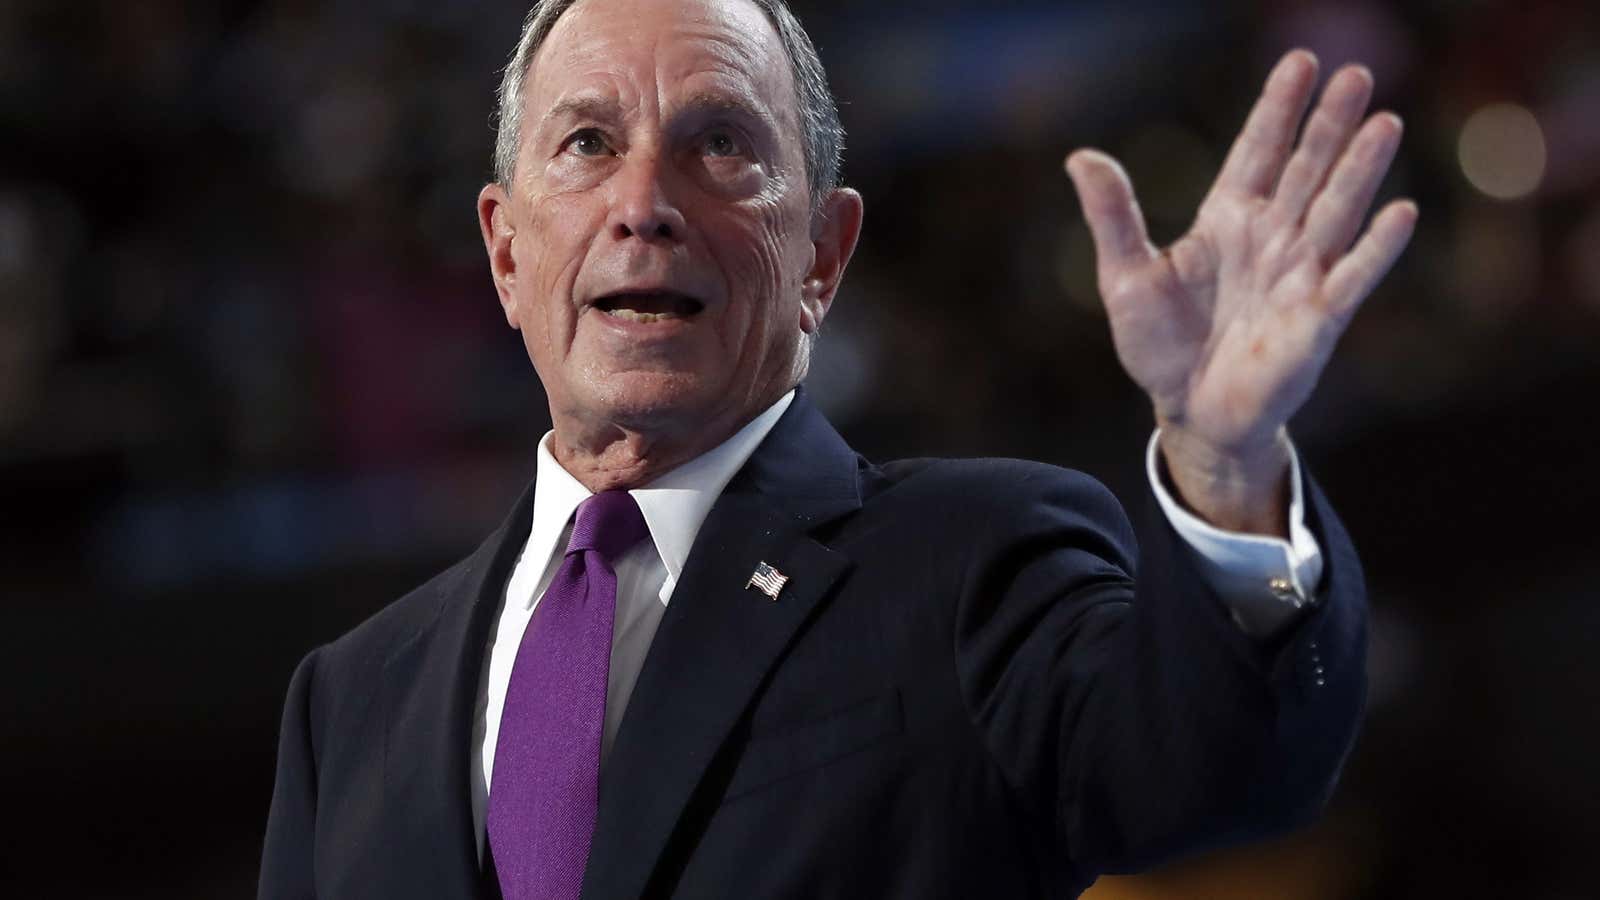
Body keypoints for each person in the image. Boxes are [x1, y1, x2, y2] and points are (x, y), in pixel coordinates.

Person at [259, 0, 1415, 896]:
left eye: (718, 142)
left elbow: (1218, 770)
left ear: (822, 255)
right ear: (506, 255)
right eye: (588, 143)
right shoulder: (350, 702)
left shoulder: (970, 567)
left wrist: (1223, 467)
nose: (643, 201)